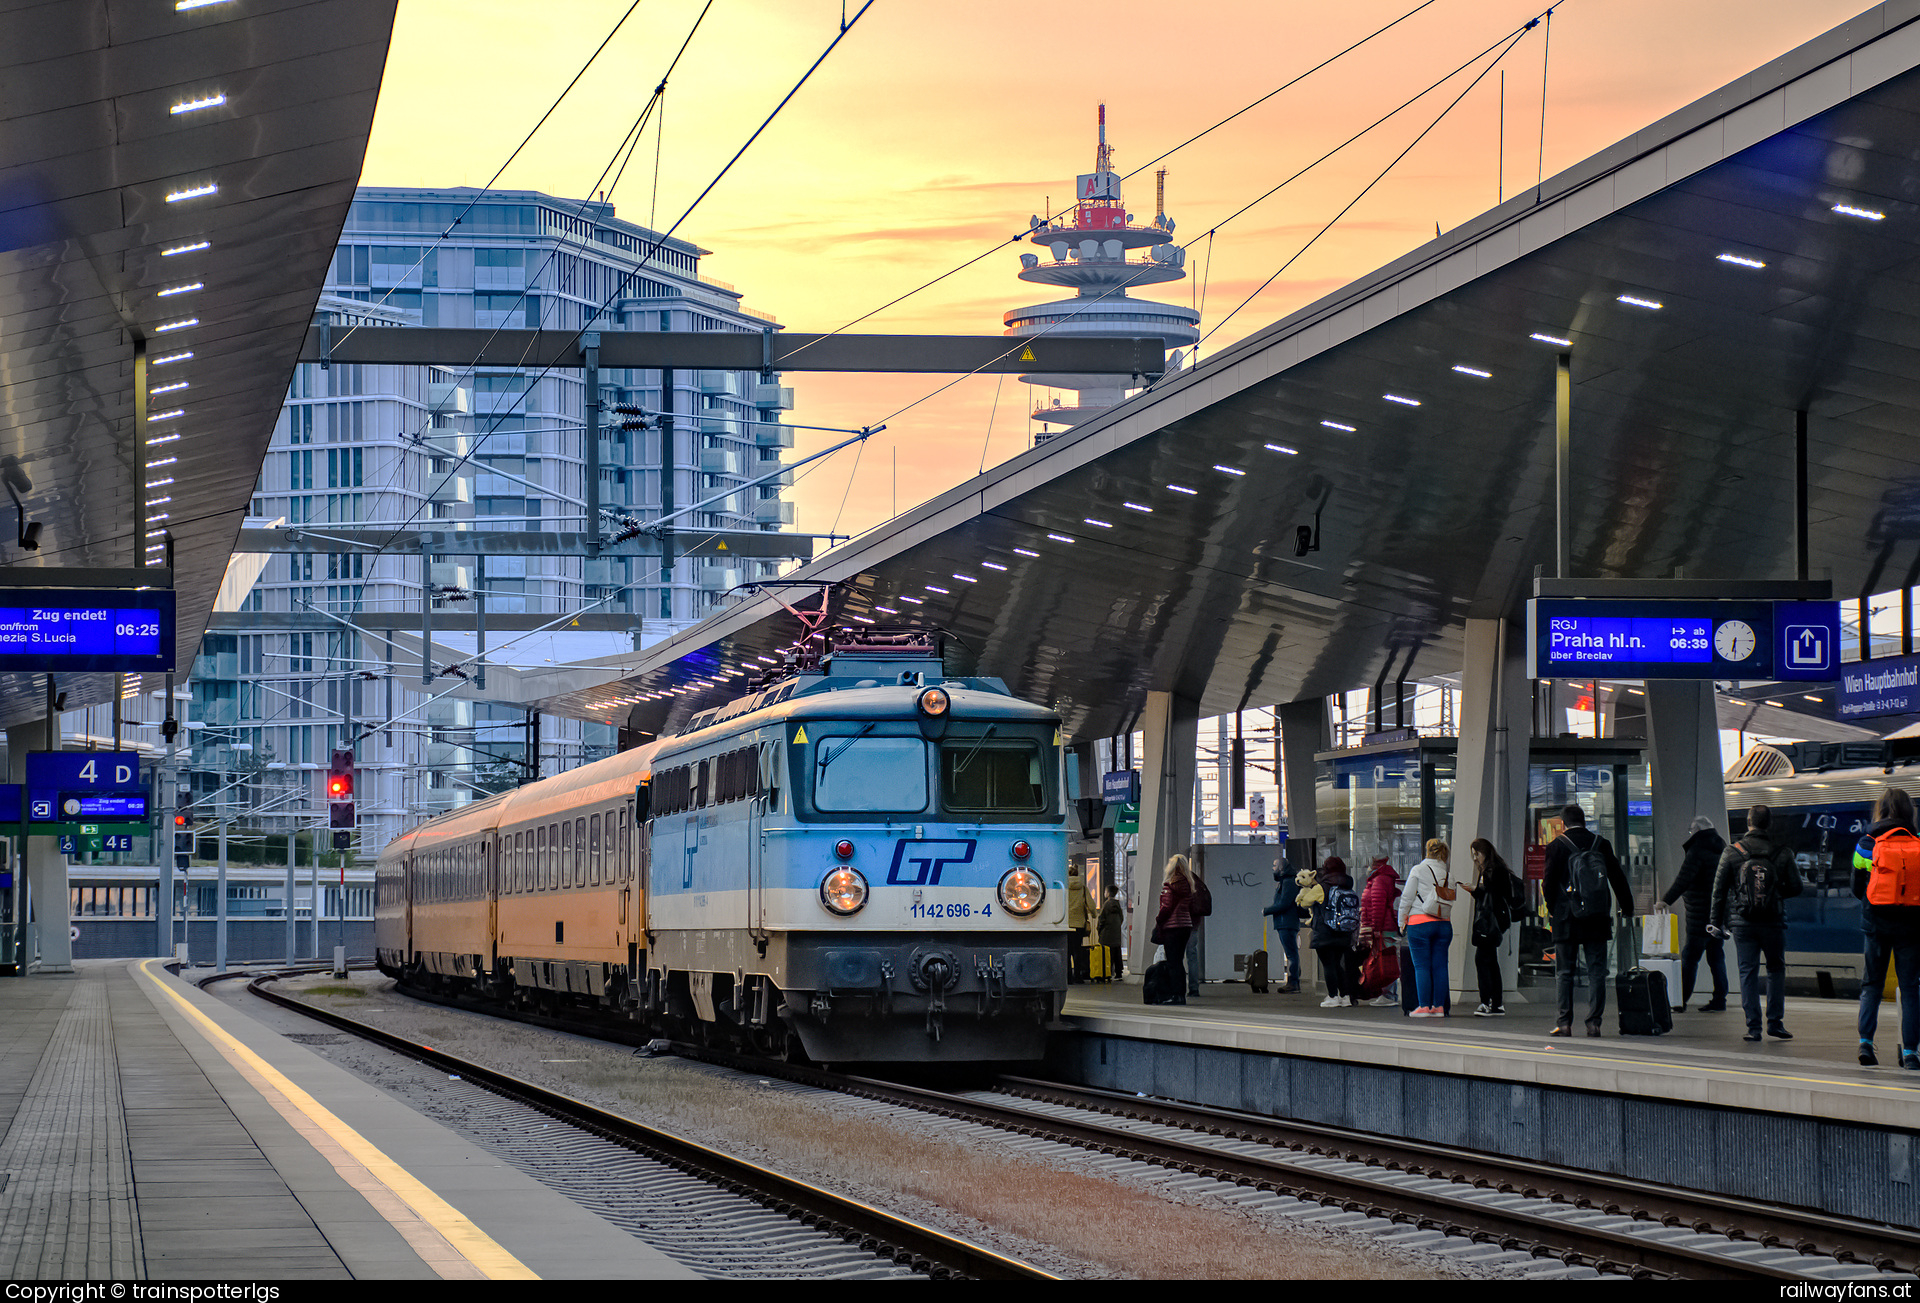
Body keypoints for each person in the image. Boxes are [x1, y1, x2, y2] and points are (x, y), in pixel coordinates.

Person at [1711, 804, 1803, 1043]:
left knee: (1747, 972)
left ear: (1748, 823)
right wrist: (1775, 892)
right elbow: (1796, 887)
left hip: (1742, 923)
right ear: (1769, 823)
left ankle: (1753, 1027)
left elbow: (1718, 892)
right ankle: (1775, 1023)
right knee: (1775, 969)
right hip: (1773, 922)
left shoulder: (1732, 852)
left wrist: (1715, 922)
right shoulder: (1782, 852)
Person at [1543, 803, 1634, 1036]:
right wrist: (1627, 906)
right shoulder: (1601, 844)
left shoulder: (1556, 846)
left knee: (1564, 972)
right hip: (1597, 917)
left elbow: (1549, 883)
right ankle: (1594, 1023)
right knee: (1597, 972)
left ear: (1563, 823)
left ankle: (1564, 1023)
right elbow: (1617, 877)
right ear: (1585, 821)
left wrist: (1554, 909)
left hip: (1567, 917)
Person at [1854, 788, 1920, 1068]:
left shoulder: (1866, 844)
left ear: (1880, 810)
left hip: (1876, 926)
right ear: (1909, 812)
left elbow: (1857, 888)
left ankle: (1866, 1045)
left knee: (1872, 985)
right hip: (1911, 928)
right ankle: (1911, 1053)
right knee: (1910, 989)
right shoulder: (1918, 842)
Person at [1662, 816, 1728, 1012]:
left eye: (1691, 830)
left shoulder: (1697, 850)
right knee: (1716, 957)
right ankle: (1720, 999)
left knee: (1690, 958)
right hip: (1717, 914)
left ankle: (1680, 1000)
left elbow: (1684, 879)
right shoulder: (1722, 849)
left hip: (1699, 916)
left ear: (1697, 830)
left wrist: (1665, 900)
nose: (1690, 834)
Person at [1398, 839, 1456, 1017]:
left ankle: (1424, 1006)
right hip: (1444, 924)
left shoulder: (1418, 870)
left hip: (1420, 924)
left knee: (1421, 966)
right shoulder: (1449, 875)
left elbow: (1407, 898)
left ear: (1427, 851)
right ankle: (1439, 1007)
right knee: (1440, 967)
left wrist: (1402, 921)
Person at [1467, 839, 1518, 1016]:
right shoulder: (1497, 868)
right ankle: (1496, 1003)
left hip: (1489, 922)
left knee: (1482, 961)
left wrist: (1476, 889)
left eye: (1477, 853)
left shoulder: (1492, 871)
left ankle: (1486, 1002)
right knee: (1491, 961)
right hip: (1496, 921)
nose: (1475, 858)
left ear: (1485, 852)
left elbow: (1492, 895)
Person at [1309, 854, 1358, 1007]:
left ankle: (1332, 996)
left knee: (1328, 965)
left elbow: (1305, 902)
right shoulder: (1347, 884)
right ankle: (1345, 996)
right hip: (1343, 931)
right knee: (1338, 964)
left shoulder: (1321, 887)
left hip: (1325, 932)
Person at [1359, 853, 1403, 1007]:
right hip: (1386, 926)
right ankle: (1387, 993)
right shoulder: (1381, 879)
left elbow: (1378, 907)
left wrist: (1375, 928)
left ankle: (1389, 995)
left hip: (1383, 927)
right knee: (1386, 958)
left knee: (1385, 959)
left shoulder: (1378, 880)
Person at [1154, 855, 1195, 1006]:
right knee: (1179, 961)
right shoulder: (1188, 884)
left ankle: (1175, 995)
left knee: (1173, 962)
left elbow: (1166, 907)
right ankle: (1181, 994)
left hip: (1172, 927)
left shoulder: (1170, 885)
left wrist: (1159, 920)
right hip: (1186, 926)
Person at [1261, 856, 1304, 992]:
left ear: (1281, 868)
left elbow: (1284, 903)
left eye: (1275, 866)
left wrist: (1267, 910)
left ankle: (1293, 983)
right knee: (1292, 953)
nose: (1273, 869)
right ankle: (1293, 981)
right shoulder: (1288, 881)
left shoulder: (1288, 882)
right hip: (1286, 921)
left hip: (1286, 922)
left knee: (1291, 954)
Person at [1066, 861, 1090, 983]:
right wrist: (1094, 914)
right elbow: (1090, 904)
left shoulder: (1064, 887)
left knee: (1067, 951)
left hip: (1066, 923)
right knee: (1077, 950)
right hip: (1079, 923)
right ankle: (1078, 977)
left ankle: (1068, 977)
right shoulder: (1083, 887)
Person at [1097, 888, 1125, 978]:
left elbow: (1101, 919)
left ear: (1108, 893)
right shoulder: (1117, 904)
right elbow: (1121, 918)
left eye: (1105, 891)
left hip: (1107, 933)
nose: (1104, 893)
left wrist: (1099, 930)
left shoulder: (1106, 904)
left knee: (1107, 953)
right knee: (1117, 952)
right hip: (1116, 933)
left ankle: (1108, 972)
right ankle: (1119, 972)